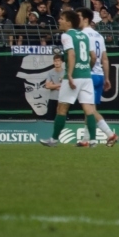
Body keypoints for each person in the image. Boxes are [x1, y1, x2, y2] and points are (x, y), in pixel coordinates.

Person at [43, 9, 102, 147]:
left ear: (69, 22)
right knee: (89, 109)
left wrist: (69, 74)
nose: (59, 21)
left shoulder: (66, 35)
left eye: (62, 19)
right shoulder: (84, 36)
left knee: (62, 108)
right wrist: (87, 69)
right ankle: (93, 140)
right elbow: (93, 57)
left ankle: (54, 140)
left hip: (74, 76)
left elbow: (71, 54)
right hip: (86, 76)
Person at [79, 9, 117, 144]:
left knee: (89, 109)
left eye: (78, 16)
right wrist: (106, 78)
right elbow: (105, 59)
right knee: (89, 108)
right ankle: (86, 139)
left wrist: (85, 71)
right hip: (99, 75)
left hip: (88, 75)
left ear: (85, 19)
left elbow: (93, 57)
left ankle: (110, 134)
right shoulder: (99, 36)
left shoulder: (81, 35)